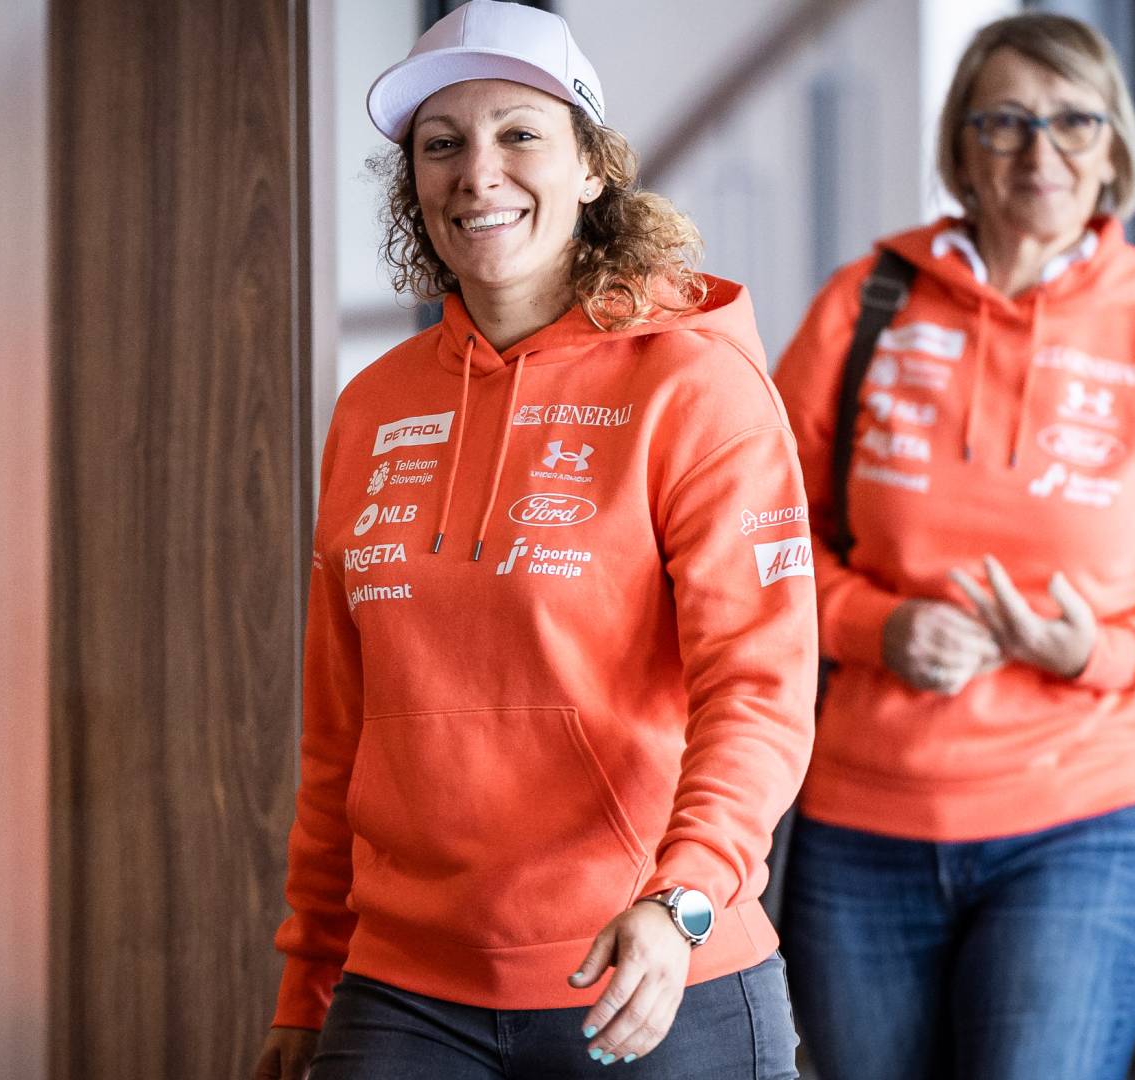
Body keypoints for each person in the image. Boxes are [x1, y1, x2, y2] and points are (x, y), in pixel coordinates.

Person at [255, 3, 815, 1078]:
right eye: (442, 144)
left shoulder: (693, 388)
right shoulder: (374, 406)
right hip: (406, 989)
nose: (479, 174)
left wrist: (684, 900)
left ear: (593, 168)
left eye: (519, 133)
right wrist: (310, 972)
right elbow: (342, 730)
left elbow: (759, 690)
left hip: (650, 975)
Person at [770, 13, 1135, 1080]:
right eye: (1004, 121)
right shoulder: (863, 307)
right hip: (861, 827)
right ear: (962, 148)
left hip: (1080, 826)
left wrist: (1097, 651)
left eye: (1072, 120)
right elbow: (758, 545)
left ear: (1114, 148)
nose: (1039, 150)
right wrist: (876, 627)